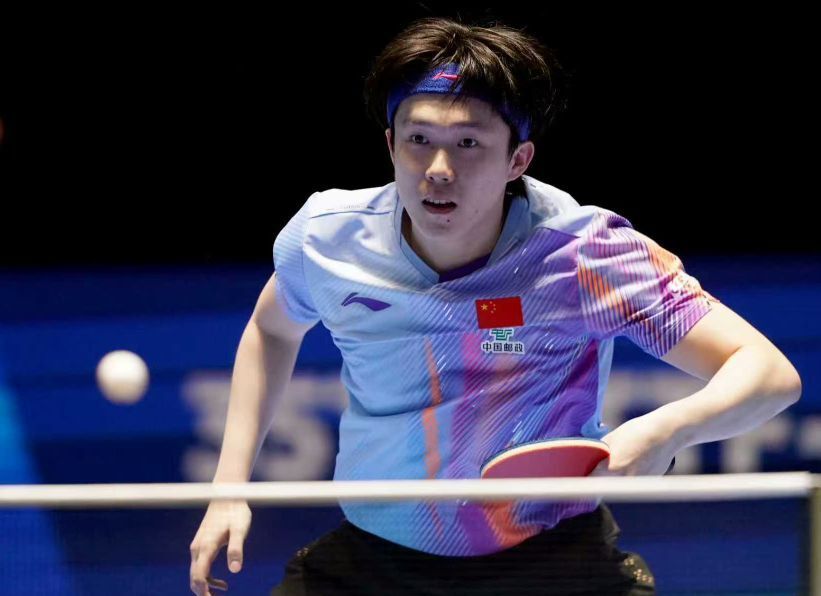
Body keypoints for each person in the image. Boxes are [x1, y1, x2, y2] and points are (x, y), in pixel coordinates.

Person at [189, 17, 802, 596]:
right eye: (419, 139)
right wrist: (229, 488)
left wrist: (664, 431)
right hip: (373, 560)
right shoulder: (327, 239)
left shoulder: (584, 255)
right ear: (390, 143)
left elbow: (768, 373)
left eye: (469, 143)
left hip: (552, 562)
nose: (438, 169)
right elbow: (271, 331)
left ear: (518, 159)